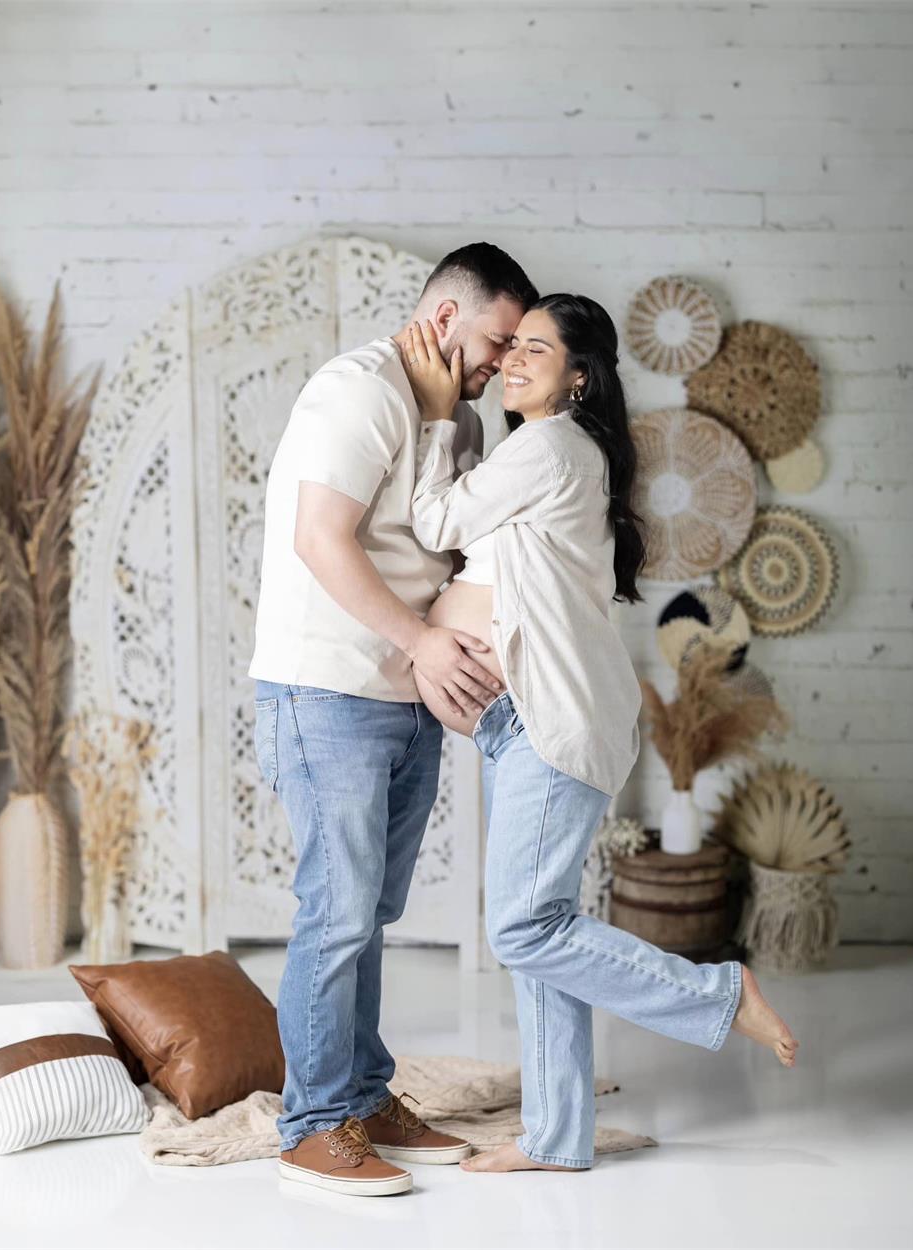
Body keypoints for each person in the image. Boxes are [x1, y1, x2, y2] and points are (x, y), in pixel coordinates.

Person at [402, 298, 800, 1176]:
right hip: (526, 724)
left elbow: (434, 523)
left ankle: (717, 994)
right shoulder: (547, 452)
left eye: (535, 349)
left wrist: (437, 416)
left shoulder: (548, 446)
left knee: (523, 928)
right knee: (544, 929)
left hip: (552, 724)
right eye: (511, 346)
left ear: (579, 375)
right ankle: (556, 1136)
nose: (512, 359)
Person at [248, 243, 540, 1197]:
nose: (504, 361)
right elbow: (318, 538)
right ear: (447, 318)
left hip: (405, 694)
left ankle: (365, 1096)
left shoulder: (451, 419)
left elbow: (441, 543)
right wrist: (422, 642)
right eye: (499, 339)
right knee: (337, 912)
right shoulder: (359, 390)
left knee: (371, 912)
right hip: (327, 690)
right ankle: (313, 1125)